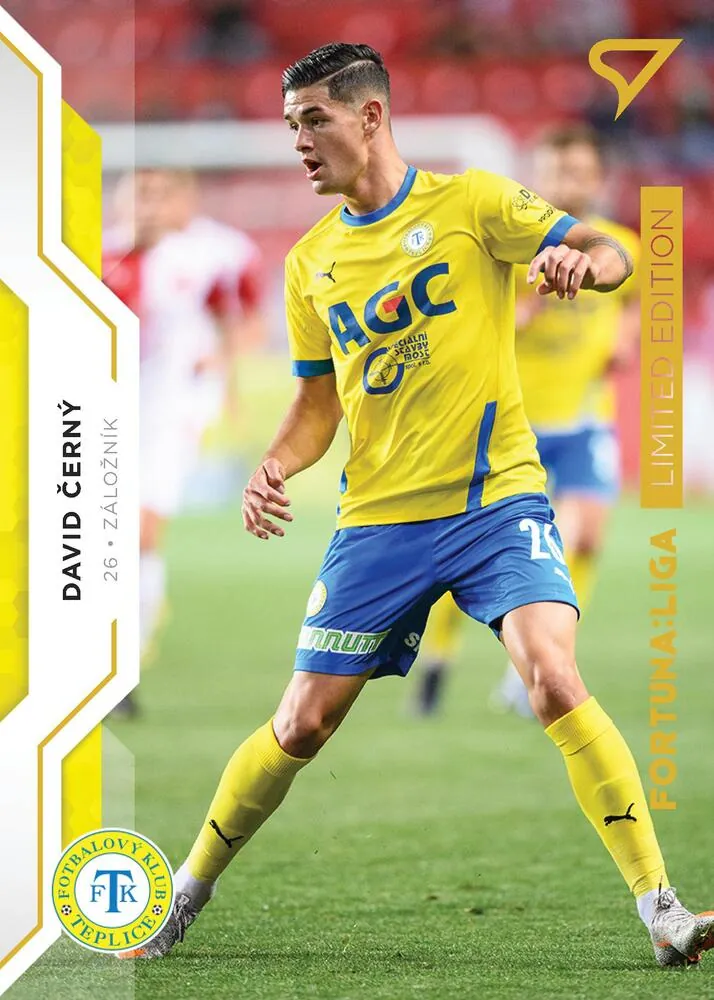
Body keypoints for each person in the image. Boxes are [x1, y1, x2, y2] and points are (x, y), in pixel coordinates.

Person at [121, 44, 714, 967]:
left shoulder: (474, 204)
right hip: (378, 523)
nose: (299, 143)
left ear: (370, 116)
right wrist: (274, 462)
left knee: (554, 677)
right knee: (301, 724)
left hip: (497, 503)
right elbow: (317, 403)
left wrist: (581, 266)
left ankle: (662, 910)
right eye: (291, 126)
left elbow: (607, 251)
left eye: (314, 121)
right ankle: (184, 893)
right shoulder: (312, 262)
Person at [414, 125, 640, 719]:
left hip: (584, 419)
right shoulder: (508, 246)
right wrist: (521, 314)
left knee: (584, 538)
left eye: (579, 172)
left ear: (599, 179)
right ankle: (438, 658)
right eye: (556, 171)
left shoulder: (619, 246)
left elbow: (632, 299)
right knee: (472, 552)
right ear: (537, 177)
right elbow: (464, 324)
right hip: (512, 425)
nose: (568, 183)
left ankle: (543, 664)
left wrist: (625, 337)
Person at [103, 169, 264, 716]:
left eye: (157, 196)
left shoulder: (202, 260)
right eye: (137, 195)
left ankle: (122, 670)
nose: (147, 206)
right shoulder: (91, 257)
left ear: (179, 203)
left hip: (167, 419)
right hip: (100, 417)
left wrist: (220, 364)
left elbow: (241, 323)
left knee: (140, 533)